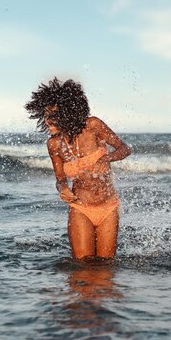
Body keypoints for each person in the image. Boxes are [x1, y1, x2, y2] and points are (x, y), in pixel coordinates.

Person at [26, 77, 131, 261]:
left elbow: (124, 149)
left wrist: (107, 158)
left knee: (106, 269)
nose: (47, 120)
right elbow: (60, 180)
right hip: (80, 208)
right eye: (46, 115)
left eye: (53, 115)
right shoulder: (54, 145)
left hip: (108, 207)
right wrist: (62, 189)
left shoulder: (93, 126)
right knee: (82, 269)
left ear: (69, 112)